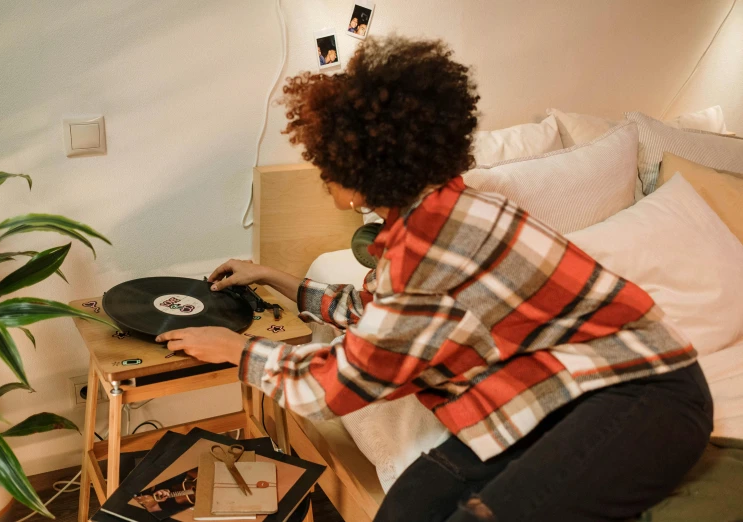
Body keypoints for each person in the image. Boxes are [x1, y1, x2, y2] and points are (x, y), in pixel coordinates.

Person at [157, 36, 713, 522]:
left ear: (357, 173)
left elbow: (342, 383)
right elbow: (380, 313)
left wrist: (237, 349)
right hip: (555, 391)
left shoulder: (430, 247)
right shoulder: (434, 213)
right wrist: (274, 276)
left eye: (325, 164)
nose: (323, 176)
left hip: (644, 393)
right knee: (406, 509)